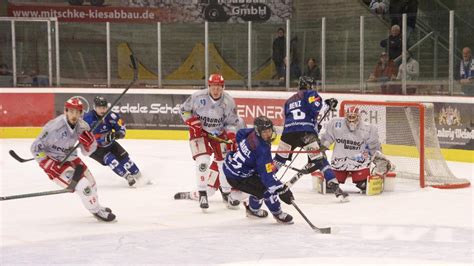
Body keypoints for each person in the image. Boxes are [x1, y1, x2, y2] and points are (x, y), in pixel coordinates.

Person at [30, 97, 115, 222]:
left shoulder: (83, 126)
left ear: (81, 113)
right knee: (83, 186)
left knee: (92, 184)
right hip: (55, 162)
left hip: (71, 158)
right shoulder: (53, 127)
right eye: (71, 111)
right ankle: (96, 210)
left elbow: (87, 152)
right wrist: (47, 164)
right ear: (65, 111)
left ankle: (95, 205)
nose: (74, 115)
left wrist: (89, 144)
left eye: (77, 112)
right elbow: (35, 148)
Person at [273, 76, 349, 201]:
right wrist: (326, 105)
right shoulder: (311, 93)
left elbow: (292, 118)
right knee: (321, 160)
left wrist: (313, 125)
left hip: (288, 134)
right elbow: (315, 107)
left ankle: (263, 178)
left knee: (278, 161)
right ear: (310, 86)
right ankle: (337, 190)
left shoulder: (289, 101)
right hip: (306, 134)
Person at [180, 73, 246, 211]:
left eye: (219, 87)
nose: (216, 90)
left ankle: (227, 193)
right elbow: (183, 111)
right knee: (203, 161)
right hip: (199, 132)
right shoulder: (197, 97)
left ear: (223, 87)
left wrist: (232, 137)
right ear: (208, 86)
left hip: (218, 133)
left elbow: (231, 123)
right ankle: (202, 192)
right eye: (213, 86)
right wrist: (193, 122)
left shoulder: (229, 102)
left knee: (224, 163)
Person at [224, 116, 295, 224]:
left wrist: (239, 145)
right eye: (265, 132)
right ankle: (277, 213)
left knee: (259, 186)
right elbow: (268, 178)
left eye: (269, 130)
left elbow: (240, 133)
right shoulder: (262, 149)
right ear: (258, 131)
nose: (268, 134)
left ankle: (252, 210)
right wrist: (282, 189)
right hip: (237, 177)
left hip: (231, 166)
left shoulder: (252, 132)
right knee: (267, 190)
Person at [319, 106, 394, 193]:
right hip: (339, 162)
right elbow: (327, 139)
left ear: (359, 117)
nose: (351, 120)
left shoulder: (368, 128)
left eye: (353, 117)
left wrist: (379, 160)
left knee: (364, 185)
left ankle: (361, 181)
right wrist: (320, 151)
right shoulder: (336, 124)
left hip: (359, 162)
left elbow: (373, 148)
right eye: (349, 117)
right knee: (330, 185)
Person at [83, 96, 143, 187]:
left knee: (126, 161)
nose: (103, 110)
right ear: (94, 107)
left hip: (110, 144)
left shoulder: (112, 116)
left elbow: (122, 128)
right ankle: (127, 177)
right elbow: (85, 137)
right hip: (94, 148)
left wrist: (118, 134)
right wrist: (103, 138)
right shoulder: (87, 119)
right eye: (100, 108)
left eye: (104, 107)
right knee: (111, 160)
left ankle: (140, 177)